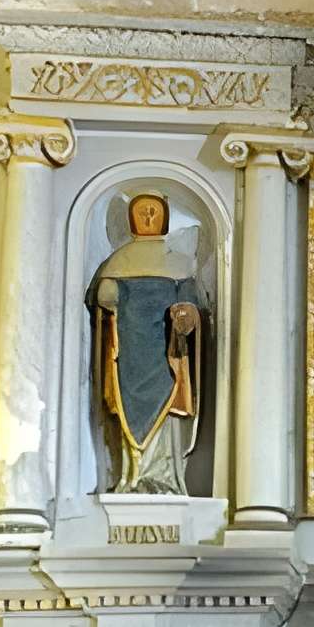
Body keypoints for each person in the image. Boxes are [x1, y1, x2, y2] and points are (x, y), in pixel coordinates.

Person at [89, 193, 205, 494]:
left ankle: (162, 477)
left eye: (154, 212)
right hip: (130, 353)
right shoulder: (118, 261)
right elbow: (103, 299)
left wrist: (185, 315)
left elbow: (191, 304)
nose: (149, 218)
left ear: (165, 217)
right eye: (142, 213)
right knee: (129, 411)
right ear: (131, 219)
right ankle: (134, 476)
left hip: (166, 354)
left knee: (165, 418)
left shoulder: (178, 262)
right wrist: (109, 293)